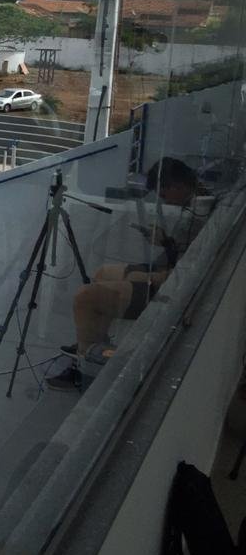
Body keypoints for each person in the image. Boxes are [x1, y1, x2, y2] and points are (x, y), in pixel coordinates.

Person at [47, 157, 208, 391]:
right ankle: (94, 344)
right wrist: (166, 241)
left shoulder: (200, 212)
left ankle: (83, 369)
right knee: (103, 273)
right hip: (170, 272)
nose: (164, 201)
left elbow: (188, 264)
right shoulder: (198, 202)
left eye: (164, 194)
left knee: (85, 298)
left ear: (177, 186)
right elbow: (187, 252)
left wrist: (162, 251)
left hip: (174, 283)